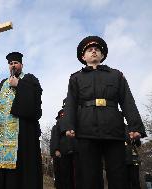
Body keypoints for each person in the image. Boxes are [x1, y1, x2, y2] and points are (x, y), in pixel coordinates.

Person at [62, 36, 147, 189]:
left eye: (97, 49)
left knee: (118, 175)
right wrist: (68, 125)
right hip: (86, 130)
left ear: (102, 55)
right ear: (83, 57)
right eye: (89, 50)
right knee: (90, 176)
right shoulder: (76, 78)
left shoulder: (116, 75)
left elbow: (127, 101)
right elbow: (71, 103)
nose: (94, 51)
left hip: (113, 129)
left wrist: (135, 127)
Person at [0, 52, 43, 189]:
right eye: (11, 63)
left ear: (21, 65)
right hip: (1, 134)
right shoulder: (2, 83)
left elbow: (35, 102)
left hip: (22, 134)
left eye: (16, 63)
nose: (13, 65)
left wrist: (19, 85)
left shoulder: (30, 79)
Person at [124, 125, 141, 189]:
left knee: (135, 180)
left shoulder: (131, 127)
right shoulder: (113, 128)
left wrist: (136, 137)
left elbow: (138, 144)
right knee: (125, 181)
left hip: (133, 159)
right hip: (120, 159)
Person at [50, 112, 61, 189]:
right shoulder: (55, 128)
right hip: (57, 154)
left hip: (65, 152)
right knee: (58, 173)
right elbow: (53, 140)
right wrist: (56, 150)